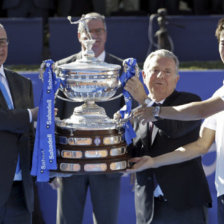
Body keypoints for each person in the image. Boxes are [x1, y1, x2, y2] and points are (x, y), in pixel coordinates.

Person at [127, 18, 224, 224]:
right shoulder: (219, 93)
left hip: (184, 205)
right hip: (151, 208)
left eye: (167, 71)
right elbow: (199, 146)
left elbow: (186, 120)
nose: (160, 75)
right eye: (223, 42)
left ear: (176, 78)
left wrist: (146, 103)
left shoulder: (192, 102)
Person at [53, 12, 124, 224]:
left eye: (98, 30)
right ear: (79, 35)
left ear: (106, 33)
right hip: (70, 161)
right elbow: (54, 115)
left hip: (108, 163)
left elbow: (132, 118)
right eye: (88, 31)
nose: (94, 35)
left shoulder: (121, 69)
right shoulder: (62, 68)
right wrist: (51, 160)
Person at [0, 24, 38, 223]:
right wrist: (32, 114)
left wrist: (46, 168)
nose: (1, 47)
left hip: (21, 194)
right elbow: (3, 118)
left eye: (3, 41)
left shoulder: (23, 83)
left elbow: (30, 135)